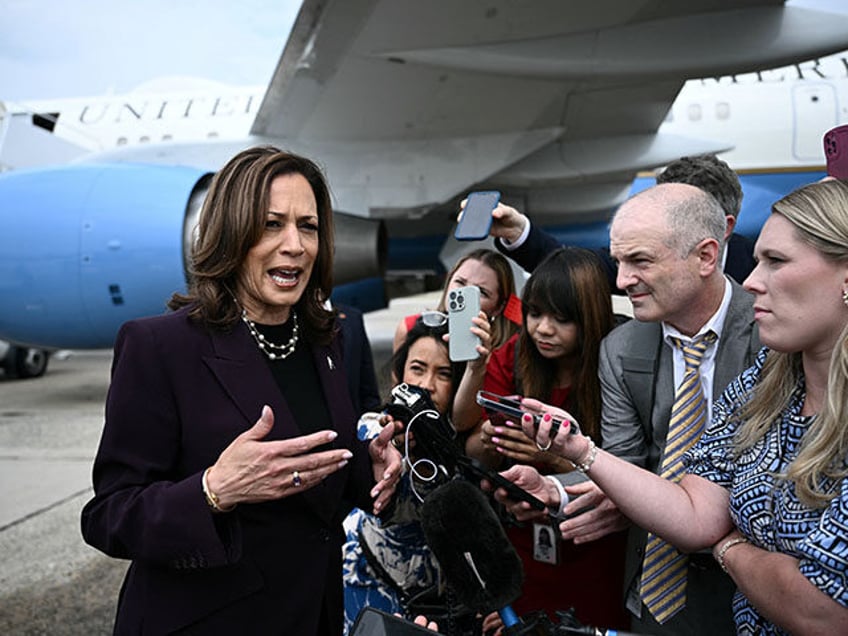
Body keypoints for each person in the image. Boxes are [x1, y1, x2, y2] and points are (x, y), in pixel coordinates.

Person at [499, 178, 848, 634]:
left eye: (776, 261)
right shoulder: (767, 375)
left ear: (706, 256)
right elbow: (694, 512)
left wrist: (726, 547)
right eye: (618, 261)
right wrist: (579, 453)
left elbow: (823, 609)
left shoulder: (762, 341)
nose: (754, 281)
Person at [79, 146, 402, 636]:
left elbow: (308, 479)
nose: (295, 244)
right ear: (231, 232)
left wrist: (367, 464)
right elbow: (109, 515)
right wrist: (213, 490)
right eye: (272, 224)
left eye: (308, 226)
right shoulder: (159, 346)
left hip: (312, 614)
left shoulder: (329, 338)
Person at [459, 247, 629, 629]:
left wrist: (559, 460)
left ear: (590, 316)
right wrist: (489, 439)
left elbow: (629, 469)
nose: (543, 329)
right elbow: (472, 445)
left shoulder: (617, 363)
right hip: (523, 543)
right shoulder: (513, 356)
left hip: (594, 544)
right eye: (535, 314)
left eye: (562, 318)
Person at [342, 317, 484, 635]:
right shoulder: (374, 429)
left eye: (443, 374)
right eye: (417, 369)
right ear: (399, 375)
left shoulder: (464, 447)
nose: (427, 384)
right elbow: (384, 498)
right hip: (366, 586)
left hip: (435, 608)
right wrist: (397, 445)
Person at [474, 153, 755, 288]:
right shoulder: (637, 262)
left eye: (675, 215)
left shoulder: (759, 276)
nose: (626, 282)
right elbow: (572, 267)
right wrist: (517, 231)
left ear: (724, 227)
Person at [392, 248, 519, 354]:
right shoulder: (410, 328)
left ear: (498, 308)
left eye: (481, 292)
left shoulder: (508, 353)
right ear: (448, 282)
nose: (463, 295)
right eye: (460, 282)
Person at [656, 153, 756, 284]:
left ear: (724, 226)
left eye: (680, 218)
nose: (666, 228)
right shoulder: (646, 260)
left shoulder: (759, 274)